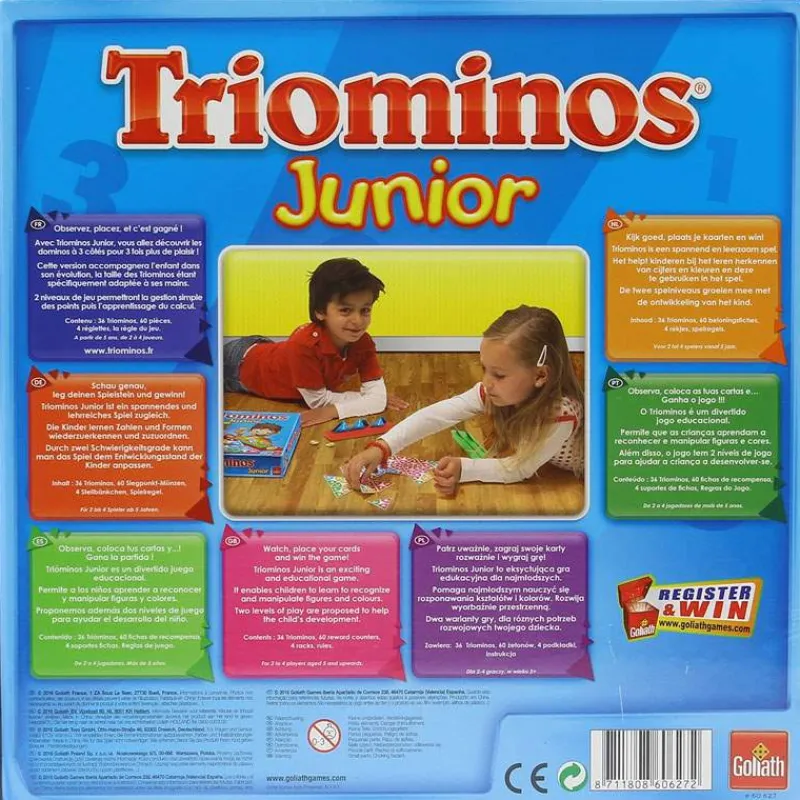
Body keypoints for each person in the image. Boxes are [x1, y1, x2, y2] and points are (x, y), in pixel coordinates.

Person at [343, 305, 583, 496]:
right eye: (485, 369)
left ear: (540, 376)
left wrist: (464, 468)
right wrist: (383, 447)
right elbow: (438, 414)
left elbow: (519, 468)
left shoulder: (560, 415)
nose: (487, 382)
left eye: (499, 375)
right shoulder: (499, 391)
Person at [223, 257, 407, 427]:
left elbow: (375, 399)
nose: (358, 321)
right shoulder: (305, 345)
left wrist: (370, 400)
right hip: (237, 366)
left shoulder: (363, 342)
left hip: (267, 350)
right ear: (320, 311)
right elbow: (319, 402)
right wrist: (363, 400)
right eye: (345, 310)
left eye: (365, 310)